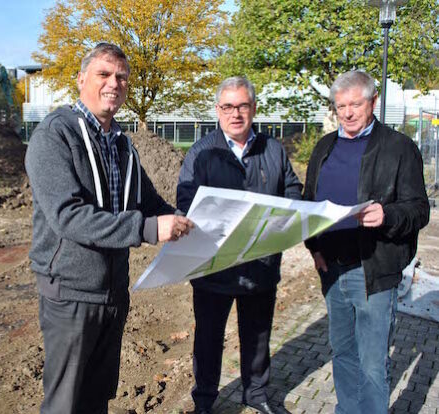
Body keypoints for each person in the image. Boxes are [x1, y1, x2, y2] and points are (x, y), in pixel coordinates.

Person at [24, 43, 193, 414]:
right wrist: (148, 229)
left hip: (113, 292)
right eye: (104, 74)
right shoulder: (54, 137)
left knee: (97, 397)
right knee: (65, 403)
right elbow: (68, 216)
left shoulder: (122, 145)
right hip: (70, 293)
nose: (113, 83)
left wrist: (190, 223)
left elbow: (150, 204)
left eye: (121, 77)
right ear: (82, 79)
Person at [303, 70, 430, 413]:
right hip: (331, 271)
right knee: (343, 354)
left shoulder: (399, 148)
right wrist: (314, 248)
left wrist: (386, 216)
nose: (347, 113)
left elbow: (419, 210)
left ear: (373, 102)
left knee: (373, 364)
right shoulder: (324, 147)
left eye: (355, 104)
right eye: (340, 105)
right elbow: (309, 201)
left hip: (372, 270)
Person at [177, 77, 301, 414]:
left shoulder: (272, 149)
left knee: (257, 336)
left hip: (260, 265)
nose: (235, 113)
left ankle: (257, 395)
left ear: (253, 109)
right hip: (213, 267)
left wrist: (282, 216)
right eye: (228, 107)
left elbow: (292, 191)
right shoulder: (202, 152)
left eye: (242, 106)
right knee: (208, 339)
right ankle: (204, 400)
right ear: (217, 110)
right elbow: (186, 199)